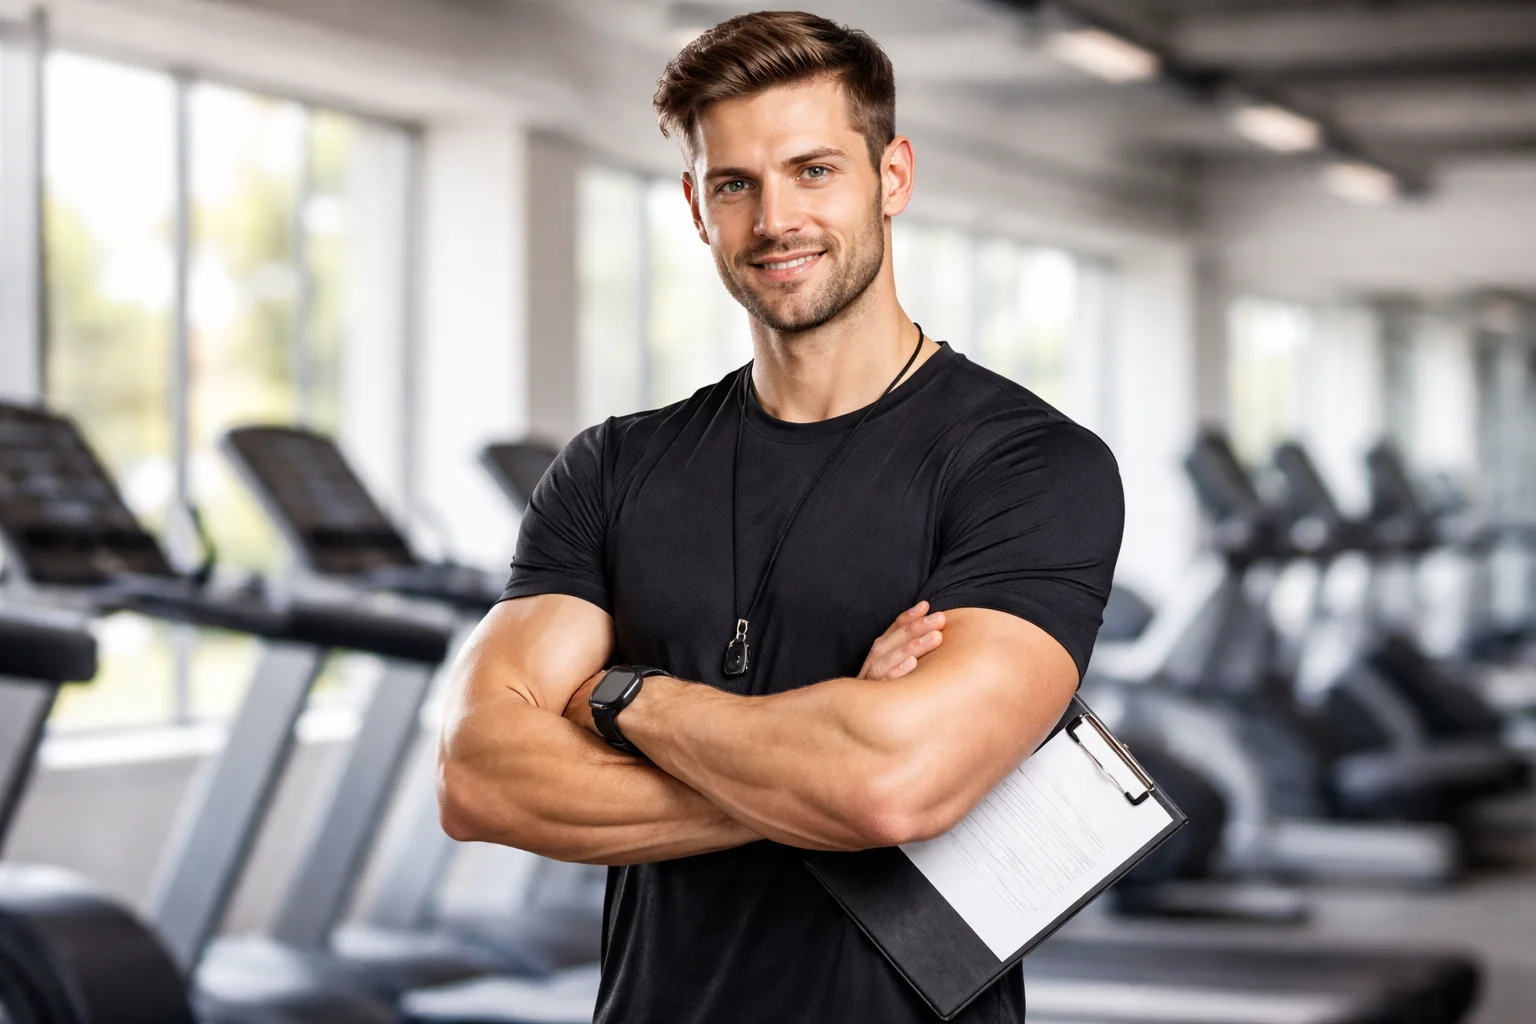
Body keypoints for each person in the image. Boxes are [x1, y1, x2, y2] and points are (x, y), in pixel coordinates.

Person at [436, 10, 1123, 1023]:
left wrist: (624, 696)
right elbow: (478, 777)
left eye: (813, 171)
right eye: (734, 183)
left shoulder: (1029, 464)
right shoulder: (613, 466)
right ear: (694, 205)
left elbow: (894, 787)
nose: (773, 220)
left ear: (891, 178)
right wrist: (825, 755)